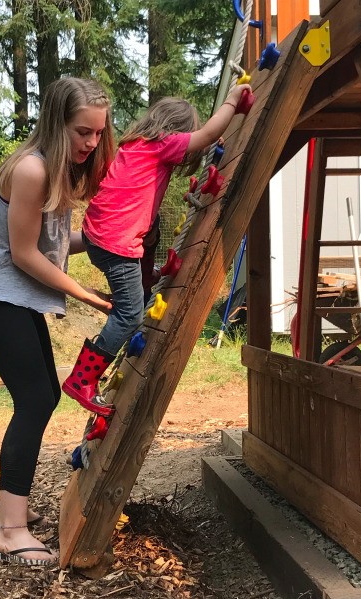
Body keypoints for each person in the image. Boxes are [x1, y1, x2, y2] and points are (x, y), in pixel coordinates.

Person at [0, 77, 115, 566]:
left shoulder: (57, 170)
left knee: (43, 396)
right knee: (33, 399)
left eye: (97, 133)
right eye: (81, 132)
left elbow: (51, 243)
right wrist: (88, 296)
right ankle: (9, 530)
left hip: (15, 296)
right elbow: (25, 255)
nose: (91, 144)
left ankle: (15, 514)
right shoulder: (30, 170)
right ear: (56, 123)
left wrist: (98, 236)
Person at [62, 83, 252, 416]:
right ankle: (82, 380)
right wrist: (232, 102)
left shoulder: (133, 146)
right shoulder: (162, 145)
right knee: (130, 313)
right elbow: (205, 134)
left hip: (97, 236)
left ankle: (108, 355)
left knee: (142, 280)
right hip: (116, 245)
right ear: (175, 133)